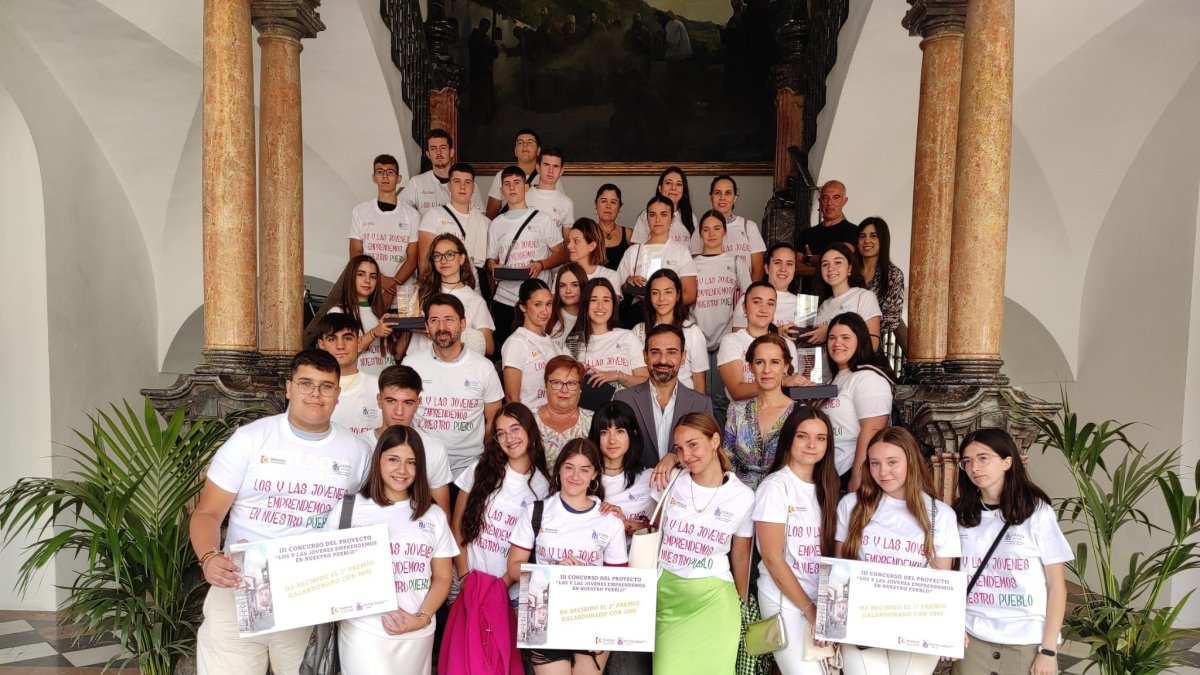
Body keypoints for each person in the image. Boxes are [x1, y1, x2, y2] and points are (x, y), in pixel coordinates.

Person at [191, 349, 371, 674]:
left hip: (309, 592)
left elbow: (365, 522)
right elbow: (207, 513)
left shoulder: (358, 453)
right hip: (240, 585)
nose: (316, 394)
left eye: (326, 386)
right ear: (288, 388)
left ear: (337, 394)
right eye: (306, 383)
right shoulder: (250, 440)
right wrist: (208, 557)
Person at [332, 426, 458, 675]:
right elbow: (330, 570)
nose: (402, 470)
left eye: (411, 462)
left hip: (418, 632)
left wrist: (421, 618)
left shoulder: (432, 515)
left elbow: (443, 577)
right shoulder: (350, 509)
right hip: (364, 630)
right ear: (378, 460)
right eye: (393, 459)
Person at [836, 426, 960, 675]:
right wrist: (833, 625)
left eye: (892, 462)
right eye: (875, 463)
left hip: (915, 624)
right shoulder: (852, 505)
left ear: (910, 461)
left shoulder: (940, 515)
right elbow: (840, 569)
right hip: (863, 622)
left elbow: (940, 581)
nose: (883, 472)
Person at [953, 429, 1071, 675]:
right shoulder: (960, 515)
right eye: (967, 461)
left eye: (984, 458)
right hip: (972, 638)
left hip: (1025, 641)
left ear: (1007, 462)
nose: (974, 467)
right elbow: (948, 576)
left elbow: (1057, 585)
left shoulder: (1037, 513)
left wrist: (1048, 651)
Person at [507, 438, 628, 674]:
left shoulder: (610, 520)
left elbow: (618, 581)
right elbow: (513, 567)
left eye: (585, 469)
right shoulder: (537, 511)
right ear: (559, 468)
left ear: (595, 474)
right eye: (569, 467)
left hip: (593, 614)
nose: (575, 476)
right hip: (543, 611)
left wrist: (584, 576)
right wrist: (553, 573)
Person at [652, 413, 754, 675]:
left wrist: (741, 603)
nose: (686, 455)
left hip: (716, 602)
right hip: (668, 600)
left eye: (693, 444)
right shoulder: (671, 481)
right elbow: (651, 528)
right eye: (679, 448)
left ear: (715, 440)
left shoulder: (743, 496)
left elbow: (741, 556)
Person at [753, 406, 841, 675]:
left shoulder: (830, 487)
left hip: (820, 599)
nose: (812, 444)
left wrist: (826, 611)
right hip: (785, 599)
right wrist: (810, 611)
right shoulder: (776, 487)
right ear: (789, 438)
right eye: (803, 436)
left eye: (821, 438)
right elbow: (772, 558)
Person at [451, 403, 551, 600]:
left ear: (530, 429)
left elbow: (536, 548)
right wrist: (464, 577)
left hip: (510, 595)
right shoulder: (480, 469)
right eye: (501, 433)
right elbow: (457, 524)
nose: (510, 438)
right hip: (467, 585)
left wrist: (499, 587)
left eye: (515, 429)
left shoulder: (543, 488)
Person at [402, 293, 503, 479]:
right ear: (426, 326)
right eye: (434, 320)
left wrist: (482, 462)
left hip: (469, 469)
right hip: (421, 465)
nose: (442, 327)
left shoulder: (484, 368)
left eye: (449, 319)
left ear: (463, 324)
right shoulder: (411, 365)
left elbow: (494, 420)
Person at [486, 165, 567, 348]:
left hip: (536, 302)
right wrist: (494, 268)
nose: (512, 188)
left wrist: (541, 264)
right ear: (501, 190)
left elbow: (562, 254)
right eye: (507, 184)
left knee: (538, 350)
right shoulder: (496, 223)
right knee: (507, 351)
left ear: (527, 187)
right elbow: (491, 260)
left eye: (517, 183)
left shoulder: (542, 219)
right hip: (504, 300)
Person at [613, 324, 713, 469]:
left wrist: (676, 458)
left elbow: (708, 455)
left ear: (683, 357)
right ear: (645, 356)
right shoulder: (623, 399)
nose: (663, 360)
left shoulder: (701, 403)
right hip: (635, 487)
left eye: (671, 352)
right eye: (655, 352)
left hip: (685, 487)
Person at [816, 312, 893, 490]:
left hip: (850, 471)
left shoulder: (868, 378)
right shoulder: (834, 380)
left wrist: (858, 478)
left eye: (846, 338)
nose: (837, 344)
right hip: (830, 473)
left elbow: (873, 429)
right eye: (832, 338)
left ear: (860, 340)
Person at [372, 365, 453, 516]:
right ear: (379, 400)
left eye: (407, 402)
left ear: (417, 403)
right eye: (391, 401)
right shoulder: (359, 445)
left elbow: (441, 516)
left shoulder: (434, 449)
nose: (399, 411)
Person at [723, 334, 799, 489]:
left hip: (783, 499)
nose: (766, 370)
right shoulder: (737, 411)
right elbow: (727, 458)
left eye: (775, 362)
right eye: (759, 362)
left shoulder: (800, 415)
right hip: (740, 499)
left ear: (785, 367)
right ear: (751, 367)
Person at [350, 153, 422, 311]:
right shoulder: (360, 211)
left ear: (399, 178)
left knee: (408, 333)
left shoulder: (412, 214)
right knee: (370, 332)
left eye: (390, 172)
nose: (385, 176)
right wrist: (381, 280)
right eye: (380, 171)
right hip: (369, 286)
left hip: (406, 289)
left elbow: (413, 259)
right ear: (374, 177)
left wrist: (392, 288)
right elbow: (356, 254)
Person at [717, 281, 803, 404]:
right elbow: (736, 391)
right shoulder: (732, 341)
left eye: (770, 303)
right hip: (743, 419)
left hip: (781, 417)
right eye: (757, 302)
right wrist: (782, 381)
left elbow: (792, 388)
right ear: (744, 307)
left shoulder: (787, 345)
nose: (764, 309)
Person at [311, 255, 395, 377]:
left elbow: (395, 353)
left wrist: (409, 327)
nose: (367, 280)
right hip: (356, 382)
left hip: (383, 382)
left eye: (373, 276)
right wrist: (374, 333)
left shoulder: (379, 312)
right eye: (361, 274)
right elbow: (340, 351)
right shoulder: (338, 312)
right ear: (351, 277)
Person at [564, 278, 648, 398]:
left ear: (614, 304)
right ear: (585, 304)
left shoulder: (627, 337)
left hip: (624, 411)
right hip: (587, 412)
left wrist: (618, 376)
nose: (600, 306)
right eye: (594, 300)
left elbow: (646, 383)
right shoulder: (574, 343)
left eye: (606, 300)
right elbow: (563, 387)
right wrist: (579, 376)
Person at [414, 233, 495, 356]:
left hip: (454, 367)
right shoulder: (421, 292)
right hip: (418, 362)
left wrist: (441, 332)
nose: (443, 260)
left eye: (450, 254)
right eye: (437, 256)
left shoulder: (475, 300)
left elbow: (489, 347)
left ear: (462, 258)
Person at [632, 269, 708, 392]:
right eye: (655, 293)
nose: (662, 298)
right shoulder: (638, 331)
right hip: (647, 402)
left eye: (668, 292)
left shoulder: (692, 332)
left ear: (678, 295)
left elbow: (700, 385)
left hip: (684, 405)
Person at [589, 401, 655, 538]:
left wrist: (624, 523)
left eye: (620, 431)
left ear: (633, 434)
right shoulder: (583, 477)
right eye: (604, 432)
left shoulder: (650, 478)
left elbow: (660, 531)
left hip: (636, 557)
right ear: (596, 436)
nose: (612, 440)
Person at [617, 195, 698, 306]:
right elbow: (618, 289)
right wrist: (629, 282)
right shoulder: (633, 252)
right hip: (638, 315)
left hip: (671, 317)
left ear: (672, 219)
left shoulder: (681, 252)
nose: (658, 220)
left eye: (663, 214)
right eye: (652, 215)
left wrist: (662, 301)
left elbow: (690, 295)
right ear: (647, 219)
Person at [417, 163, 490, 283]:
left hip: (474, 287)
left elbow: (486, 266)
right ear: (449, 186)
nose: (462, 187)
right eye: (457, 181)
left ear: (473, 187)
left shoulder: (485, 223)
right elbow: (424, 261)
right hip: (441, 287)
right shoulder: (434, 215)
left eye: (467, 182)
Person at [802, 242, 883, 351]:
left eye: (838, 262)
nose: (831, 268)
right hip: (823, 368)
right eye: (825, 264)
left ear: (849, 268)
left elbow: (873, 343)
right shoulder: (822, 305)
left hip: (853, 367)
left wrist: (829, 333)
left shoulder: (864, 296)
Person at [313, 312, 380, 440]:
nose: (340, 346)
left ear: (359, 343)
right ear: (321, 345)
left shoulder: (379, 387)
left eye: (348, 338)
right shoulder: (309, 388)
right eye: (332, 339)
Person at [502, 279, 566, 410]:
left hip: (552, 419)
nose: (545, 311)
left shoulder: (553, 343)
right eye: (538, 305)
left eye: (548, 304)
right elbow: (511, 397)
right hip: (529, 420)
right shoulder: (517, 342)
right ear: (523, 307)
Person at [690, 176, 765, 281]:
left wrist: (748, 296)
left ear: (735, 198)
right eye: (717, 193)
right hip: (714, 291)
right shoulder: (701, 230)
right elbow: (695, 268)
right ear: (710, 197)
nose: (722, 198)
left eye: (728, 193)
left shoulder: (749, 227)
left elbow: (758, 270)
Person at [796, 180, 858, 293]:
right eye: (825, 198)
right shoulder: (807, 233)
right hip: (807, 298)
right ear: (819, 201)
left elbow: (839, 256)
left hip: (837, 297)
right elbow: (795, 267)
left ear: (844, 201)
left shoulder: (853, 231)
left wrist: (808, 259)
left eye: (836, 197)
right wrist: (825, 271)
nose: (829, 203)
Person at [400, 129, 481, 215]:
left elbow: (480, 217)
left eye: (443, 148)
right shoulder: (417, 182)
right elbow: (398, 209)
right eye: (433, 149)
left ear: (451, 152)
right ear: (428, 154)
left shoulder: (467, 184)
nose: (438, 152)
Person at [535, 355, 593, 466]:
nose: (564, 390)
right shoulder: (527, 419)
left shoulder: (594, 421)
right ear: (546, 385)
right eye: (557, 382)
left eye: (571, 383)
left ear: (580, 388)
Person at [857, 217, 906, 345]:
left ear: (883, 240)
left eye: (874, 236)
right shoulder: (848, 271)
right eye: (862, 236)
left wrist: (857, 327)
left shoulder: (893, 275)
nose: (867, 240)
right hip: (840, 339)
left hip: (870, 344)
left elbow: (893, 318)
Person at [730, 241, 799, 332]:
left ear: (795, 270)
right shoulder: (747, 299)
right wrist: (777, 334)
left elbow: (806, 342)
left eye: (789, 264)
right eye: (777, 262)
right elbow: (739, 339)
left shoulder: (804, 306)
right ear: (766, 268)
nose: (783, 269)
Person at [631, 167, 696, 245]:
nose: (673, 188)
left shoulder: (690, 216)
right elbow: (637, 249)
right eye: (668, 183)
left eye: (679, 184)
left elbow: (695, 251)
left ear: (683, 190)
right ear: (660, 188)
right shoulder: (646, 215)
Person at [486, 129, 541, 218]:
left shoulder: (547, 176)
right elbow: (491, 214)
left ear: (538, 150)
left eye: (530, 142)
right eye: (520, 143)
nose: (525, 146)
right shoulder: (502, 175)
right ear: (515, 151)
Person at [523, 147, 575, 238]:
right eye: (546, 165)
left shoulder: (567, 203)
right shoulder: (523, 195)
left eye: (555, 166)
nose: (551, 171)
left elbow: (567, 241)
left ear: (561, 171)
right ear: (538, 168)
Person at [564, 217, 622, 294]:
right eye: (569, 241)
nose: (569, 246)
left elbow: (611, 305)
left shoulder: (610, 276)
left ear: (592, 246)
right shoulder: (562, 275)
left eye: (576, 241)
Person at [546, 262, 587, 343]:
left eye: (574, 285)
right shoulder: (547, 315)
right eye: (562, 285)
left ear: (583, 286)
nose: (568, 291)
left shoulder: (592, 316)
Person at [594, 184, 632, 270]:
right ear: (596, 204)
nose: (608, 206)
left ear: (619, 207)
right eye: (603, 201)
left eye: (613, 202)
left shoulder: (629, 234)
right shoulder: (586, 232)